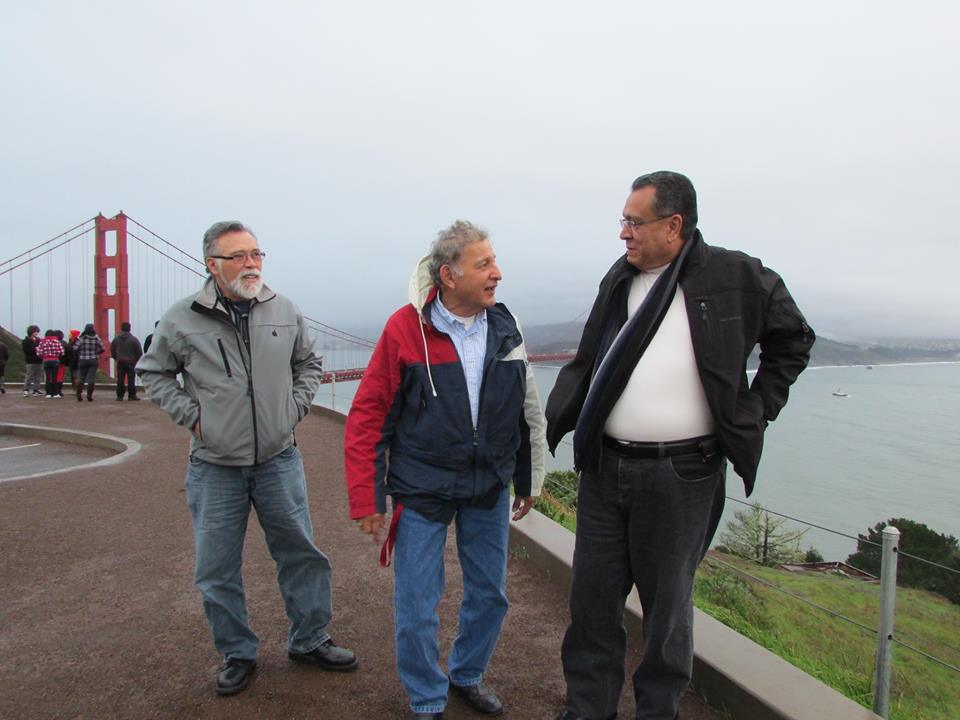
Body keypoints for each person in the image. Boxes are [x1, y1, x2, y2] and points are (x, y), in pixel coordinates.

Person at [545, 171, 815, 720]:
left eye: (633, 222)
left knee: (667, 613)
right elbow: (594, 356)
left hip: (683, 475)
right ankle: (587, 711)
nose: (623, 233)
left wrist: (756, 409)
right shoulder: (619, 278)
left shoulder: (735, 276)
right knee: (591, 603)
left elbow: (793, 340)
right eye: (623, 220)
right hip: (604, 467)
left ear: (674, 225)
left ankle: (658, 713)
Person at [137, 220, 356, 697]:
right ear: (212, 265)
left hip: (279, 459)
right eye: (238, 256)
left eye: (257, 254)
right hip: (214, 465)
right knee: (216, 568)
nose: (252, 264)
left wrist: (291, 410)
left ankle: (310, 638)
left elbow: (309, 363)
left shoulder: (284, 309)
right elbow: (153, 374)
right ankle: (237, 652)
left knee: (301, 554)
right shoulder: (181, 318)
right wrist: (195, 419)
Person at [344, 220, 547, 719]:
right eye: (484, 264)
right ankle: (426, 698)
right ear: (449, 276)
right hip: (423, 487)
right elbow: (368, 415)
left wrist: (529, 477)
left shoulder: (506, 325)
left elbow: (526, 408)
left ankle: (467, 674)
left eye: (494, 261)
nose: (497, 273)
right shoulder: (404, 329)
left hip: (488, 486)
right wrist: (367, 498)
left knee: (490, 596)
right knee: (417, 606)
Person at [110, 321, 143, 400]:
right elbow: (139, 351)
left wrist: (116, 357)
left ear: (121, 328)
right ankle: (131, 396)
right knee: (131, 380)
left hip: (121, 362)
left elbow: (112, 349)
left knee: (120, 379)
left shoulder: (116, 339)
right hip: (131, 362)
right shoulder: (134, 339)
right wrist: (138, 360)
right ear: (129, 329)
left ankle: (119, 396)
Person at [74, 324, 105, 401]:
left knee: (81, 378)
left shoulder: (82, 338)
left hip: (82, 360)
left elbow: (75, 348)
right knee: (91, 378)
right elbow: (103, 348)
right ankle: (89, 396)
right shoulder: (96, 338)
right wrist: (96, 352)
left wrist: (79, 354)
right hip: (93, 360)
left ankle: (79, 394)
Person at [37, 330, 65, 398]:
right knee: (54, 377)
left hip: (46, 361)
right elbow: (62, 352)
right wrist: (56, 355)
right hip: (55, 361)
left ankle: (48, 393)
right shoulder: (57, 341)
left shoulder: (42, 342)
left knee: (48, 378)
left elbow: (38, 353)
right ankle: (56, 393)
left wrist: (44, 356)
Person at [21, 326, 43, 396]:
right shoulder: (25, 341)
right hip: (30, 361)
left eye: (37, 332)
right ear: (31, 332)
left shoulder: (39, 340)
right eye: (35, 331)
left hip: (39, 360)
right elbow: (26, 351)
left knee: (38, 376)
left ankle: (36, 389)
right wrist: (35, 348)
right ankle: (26, 389)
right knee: (29, 375)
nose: (37, 333)